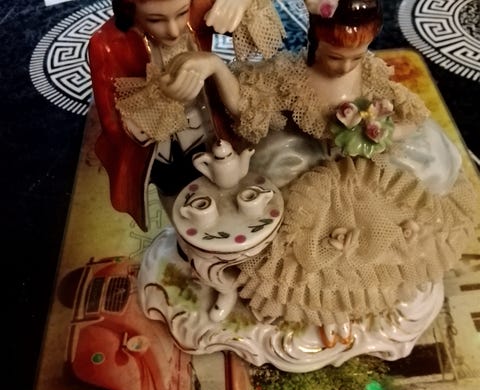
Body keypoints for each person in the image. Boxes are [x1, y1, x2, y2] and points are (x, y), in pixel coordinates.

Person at [160, 0, 477, 346]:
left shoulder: (369, 72)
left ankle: (353, 304)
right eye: (335, 57)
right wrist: (216, 67)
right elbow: (244, 105)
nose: (346, 67)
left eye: (356, 57)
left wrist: (384, 132)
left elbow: (409, 114)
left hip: (364, 166)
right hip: (309, 163)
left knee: (398, 207)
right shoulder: (293, 77)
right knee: (302, 233)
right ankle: (321, 310)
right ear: (315, 43)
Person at [88, 0, 284, 231]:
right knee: (181, 208)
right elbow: (113, 125)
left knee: (228, 192)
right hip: (160, 150)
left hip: (207, 132)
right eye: (155, 19)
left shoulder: (198, 12)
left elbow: (257, 34)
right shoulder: (107, 44)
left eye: (181, 13)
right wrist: (163, 100)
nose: (173, 30)